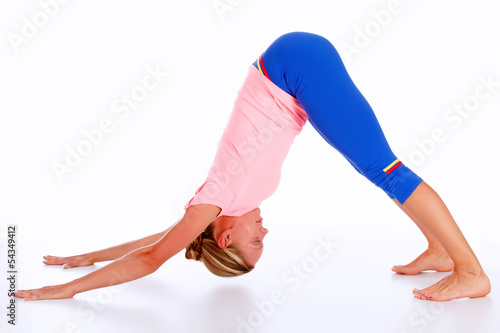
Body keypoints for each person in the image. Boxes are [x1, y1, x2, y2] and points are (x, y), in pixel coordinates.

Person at [15, 31, 490, 302]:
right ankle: (441, 249)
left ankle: (470, 271)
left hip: (294, 68)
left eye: (256, 241)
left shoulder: (218, 199)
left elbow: (151, 258)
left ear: (226, 237)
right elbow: (157, 240)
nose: (266, 233)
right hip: (291, 73)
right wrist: (85, 255)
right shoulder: (219, 207)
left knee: (381, 168)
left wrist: (68, 290)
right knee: (375, 168)